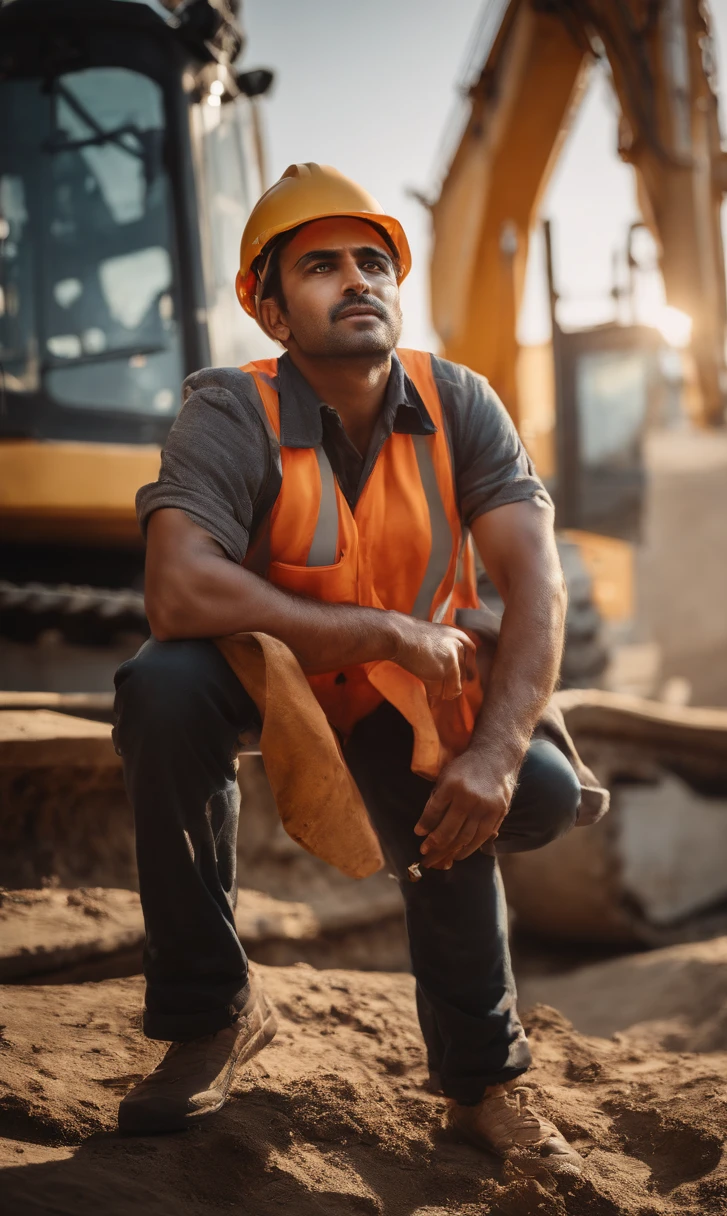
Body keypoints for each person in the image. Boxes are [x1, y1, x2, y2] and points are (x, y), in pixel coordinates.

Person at [114, 163, 600, 1171]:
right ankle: (211, 1015)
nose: (358, 280)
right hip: (268, 677)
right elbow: (180, 594)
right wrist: (384, 632)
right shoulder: (228, 408)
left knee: (508, 784)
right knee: (159, 682)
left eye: (374, 261)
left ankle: (481, 1080)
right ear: (268, 307)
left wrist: (497, 755)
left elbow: (537, 585)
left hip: (410, 695)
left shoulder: (460, 400)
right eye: (323, 265)